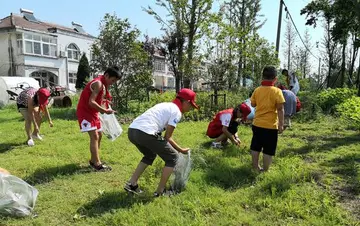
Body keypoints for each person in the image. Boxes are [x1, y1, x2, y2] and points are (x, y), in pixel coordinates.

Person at [125, 88, 199, 197]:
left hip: (132, 131)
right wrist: (180, 150)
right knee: (172, 157)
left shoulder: (166, 105)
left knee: (150, 155)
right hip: (146, 133)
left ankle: (131, 184)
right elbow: (167, 137)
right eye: (191, 105)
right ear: (186, 102)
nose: (191, 108)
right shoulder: (176, 112)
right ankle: (160, 192)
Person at [76, 66, 121, 171]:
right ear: (106, 75)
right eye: (112, 80)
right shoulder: (99, 83)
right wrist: (105, 111)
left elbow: (97, 99)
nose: (113, 83)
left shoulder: (103, 84)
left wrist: (105, 102)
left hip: (93, 113)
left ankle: (94, 160)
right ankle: (97, 164)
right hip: (85, 112)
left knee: (99, 135)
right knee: (95, 136)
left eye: (115, 81)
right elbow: (91, 102)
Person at [250, 66, 285, 172]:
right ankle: (265, 170)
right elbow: (280, 109)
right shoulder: (277, 91)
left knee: (256, 146)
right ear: (275, 79)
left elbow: (252, 103)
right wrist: (281, 124)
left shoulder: (257, 90)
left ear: (262, 77)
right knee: (268, 150)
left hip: (257, 124)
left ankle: (256, 167)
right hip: (271, 126)